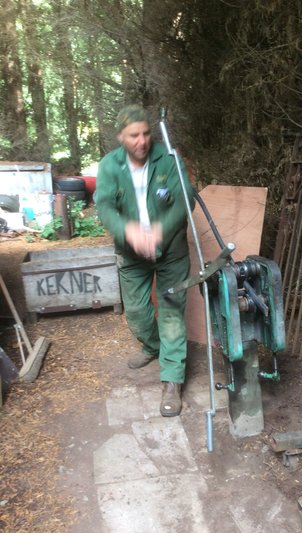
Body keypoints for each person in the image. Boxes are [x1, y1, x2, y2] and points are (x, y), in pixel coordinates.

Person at [96, 104, 195, 417]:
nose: (142, 141)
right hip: (131, 254)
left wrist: (159, 231)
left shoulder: (168, 158)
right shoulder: (109, 166)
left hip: (171, 253)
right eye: (133, 136)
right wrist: (128, 231)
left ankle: (172, 380)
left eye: (146, 133)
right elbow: (104, 206)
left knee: (171, 314)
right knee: (138, 313)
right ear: (120, 137)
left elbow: (185, 199)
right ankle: (153, 346)